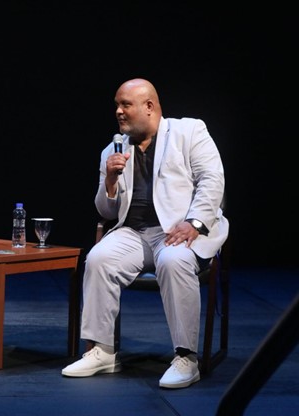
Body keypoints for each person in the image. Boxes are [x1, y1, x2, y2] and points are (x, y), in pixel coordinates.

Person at [61, 78, 228, 389]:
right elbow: (108, 213)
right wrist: (110, 180)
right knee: (98, 258)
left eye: (126, 105)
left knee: (174, 261)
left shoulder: (188, 131)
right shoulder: (112, 149)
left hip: (179, 231)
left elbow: (211, 180)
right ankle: (103, 351)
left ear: (149, 107)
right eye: (116, 105)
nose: (119, 112)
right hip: (134, 232)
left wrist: (194, 223)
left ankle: (185, 357)